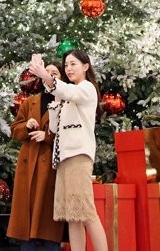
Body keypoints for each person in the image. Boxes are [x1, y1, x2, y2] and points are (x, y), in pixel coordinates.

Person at [28, 51, 108, 251]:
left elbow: (69, 92)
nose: (69, 69)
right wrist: (55, 106)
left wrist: (45, 76)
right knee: (73, 216)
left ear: (86, 67)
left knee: (87, 213)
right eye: (67, 65)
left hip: (78, 156)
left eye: (73, 64)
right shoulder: (67, 95)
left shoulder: (86, 88)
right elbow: (54, 129)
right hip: (64, 158)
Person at [7, 60, 65, 250]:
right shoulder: (30, 102)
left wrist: (47, 136)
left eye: (54, 73)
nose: (49, 75)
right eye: (46, 72)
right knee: (28, 220)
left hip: (51, 166)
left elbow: (70, 134)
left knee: (48, 221)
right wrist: (26, 125)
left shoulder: (65, 102)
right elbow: (14, 130)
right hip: (29, 163)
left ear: (61, 78)